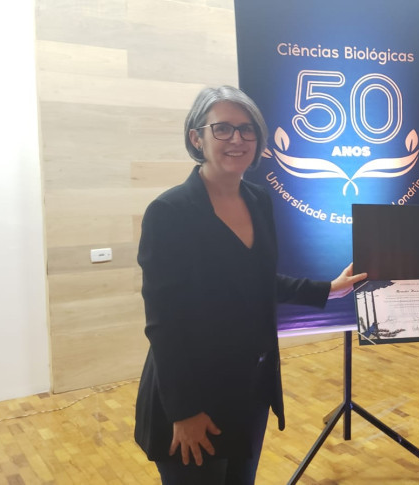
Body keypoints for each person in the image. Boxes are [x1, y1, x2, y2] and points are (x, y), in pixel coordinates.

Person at [134, 85, 366, 485]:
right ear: (197, 137)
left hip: (250, 391)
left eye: (247, 130)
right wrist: (184, 411)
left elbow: (253, 279)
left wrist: (327, 289)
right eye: (222, 128)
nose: (237, 139)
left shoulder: (258, 199)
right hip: (194, 395)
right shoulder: (168, 213)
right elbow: (163, 323)